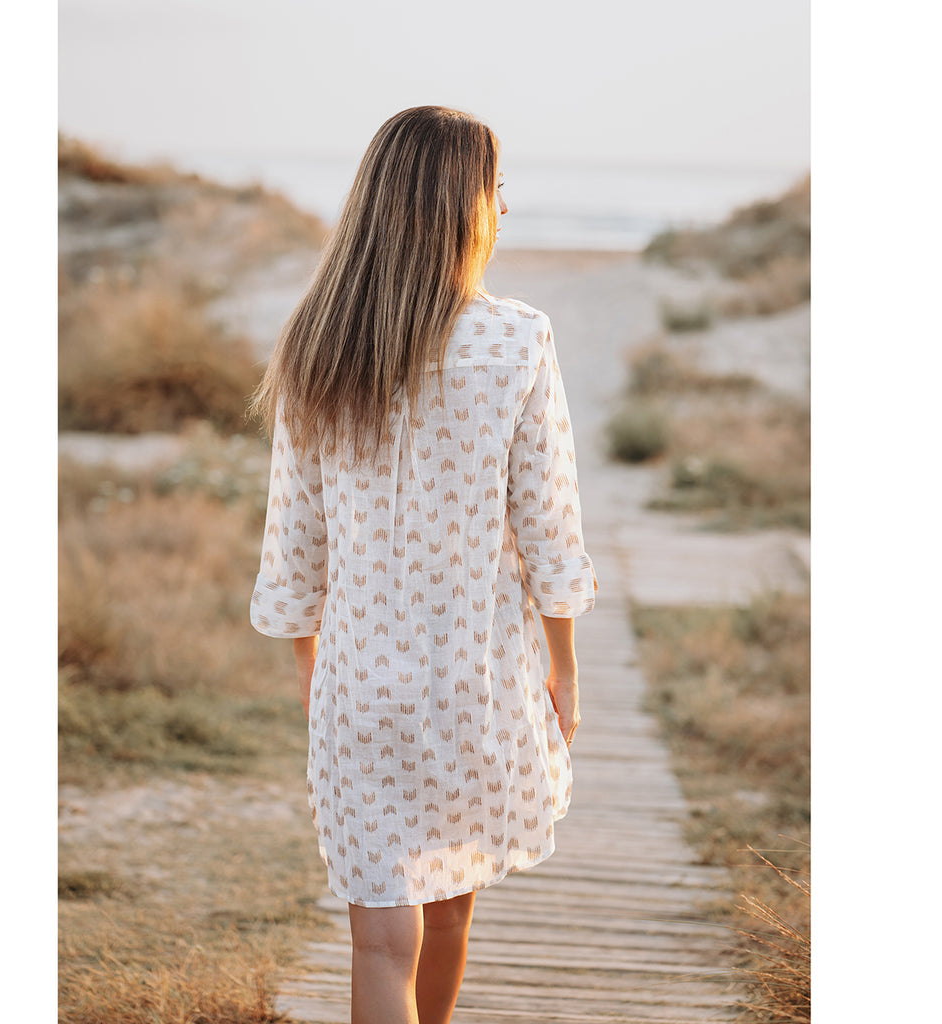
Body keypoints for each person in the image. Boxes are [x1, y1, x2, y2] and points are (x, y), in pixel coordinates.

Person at [249, 105, 595, 1024]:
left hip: (359, 681)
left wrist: (308, 665)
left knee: (379, 942)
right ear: (460, 206)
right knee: (448, 913)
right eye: (496, 188)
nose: (505, 207)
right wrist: (564, 666)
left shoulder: (317, 340)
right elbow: (551, 526)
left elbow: (296, 538)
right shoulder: (517, 338)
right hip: (476, 678)